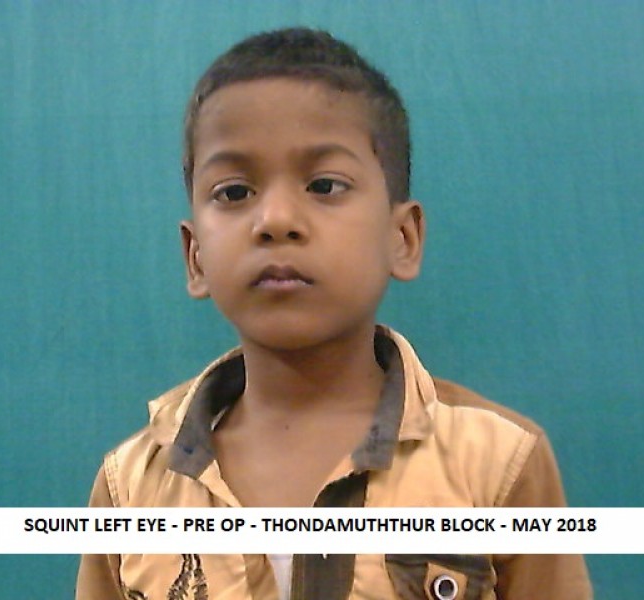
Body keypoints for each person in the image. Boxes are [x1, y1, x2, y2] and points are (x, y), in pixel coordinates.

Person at [76, 27, 592, 600]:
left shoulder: (497, 461)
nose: (275, 219)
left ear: (401, 238)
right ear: (195, 255)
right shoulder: (132, 488)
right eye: (234, 192)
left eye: (324, 185)